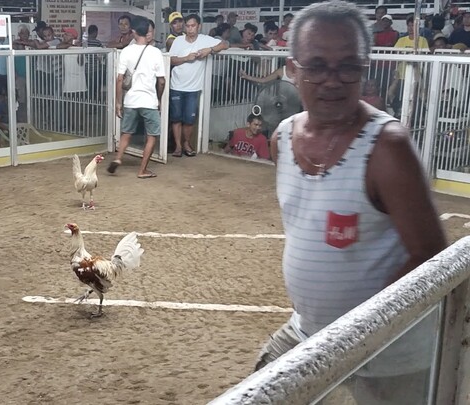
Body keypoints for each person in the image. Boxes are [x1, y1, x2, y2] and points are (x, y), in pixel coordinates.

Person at [257, 2, 447, 404]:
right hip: (309, 333)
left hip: (393, 351)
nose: (332, 81)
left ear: (365, 69)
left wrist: (363, 328)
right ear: (293, 70)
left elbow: (430, 257)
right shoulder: (282, 139)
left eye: (348, 67)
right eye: (317, 66)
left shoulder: (387, 147)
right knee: (259, 391)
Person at [107, 16, 165, 179]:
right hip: (149, 100)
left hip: (131, 100)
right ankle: (142, 170)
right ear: (147, 32)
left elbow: (120, 79)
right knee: (152, 136)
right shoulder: (155, 53)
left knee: (126, 133)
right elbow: (161, 81)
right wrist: (159, 98)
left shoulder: (126, 51)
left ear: (133, 32)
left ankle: (118, 158)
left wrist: (118, 102)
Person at [168, 14, 229, 158]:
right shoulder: (178, 41)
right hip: (176, 85)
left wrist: (210, 50)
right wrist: (186, 58)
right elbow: (170, 60)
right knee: (176, 118)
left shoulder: (204, 40)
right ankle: (177, 146)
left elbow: (225, 44)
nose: (190, 29)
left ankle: (186, 143)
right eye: (187, 26)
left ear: (199, 26)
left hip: (193, 88)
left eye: (193, 25)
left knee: (189, 119)